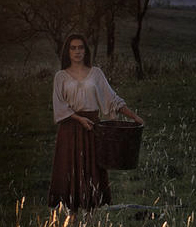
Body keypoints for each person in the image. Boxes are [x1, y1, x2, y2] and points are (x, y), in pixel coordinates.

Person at [48, 33, 144, 212]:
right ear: (67, 51)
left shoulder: (96, 74)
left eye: (81, 47)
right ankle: (72, 216)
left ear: (86, 50)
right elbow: (59, 106)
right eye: (73, 48)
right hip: (69, 128)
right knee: (69, 168)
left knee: (91, 168)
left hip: (92, 127)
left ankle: (91, 217)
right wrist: (78, 119)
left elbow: (112, 99)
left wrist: (134, 117)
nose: (77, 52)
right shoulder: (60, 76)